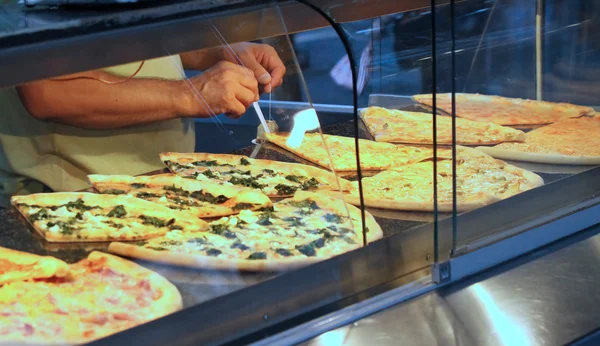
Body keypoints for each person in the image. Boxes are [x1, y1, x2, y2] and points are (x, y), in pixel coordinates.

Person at [0, 42, 286, 207]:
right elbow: (47, 93)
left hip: (169, 184)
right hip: (72, 198)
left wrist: (214, 50)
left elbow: (139, 37)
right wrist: (189, 93)